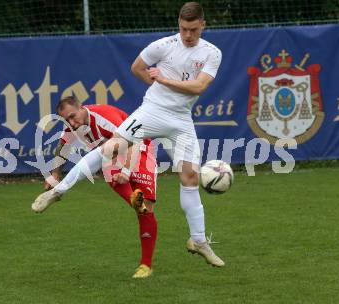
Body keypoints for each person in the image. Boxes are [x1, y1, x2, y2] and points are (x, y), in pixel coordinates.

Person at [34, 1, 224, 267]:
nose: (188, 35)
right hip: (152, 111)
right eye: (183, 29)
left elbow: (198, 87)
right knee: (112, 146)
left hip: (181, 120)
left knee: (190, 177)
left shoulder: (212, 53)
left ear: (203, 24)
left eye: (193, 29)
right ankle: (59, 191)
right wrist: (156, 87)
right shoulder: (164, 46)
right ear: (178, 25)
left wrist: (163, 80)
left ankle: (198, 240)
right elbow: (136, 67)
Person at [32, 96, 158, 278]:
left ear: (81, 107)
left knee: (147, 210)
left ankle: (146, 264)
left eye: (73, 117)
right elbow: (62, 147)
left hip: (140, 149)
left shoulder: (104, 118)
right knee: (108, 161)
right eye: (66, 120)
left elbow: (134, 142)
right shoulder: (72, 126)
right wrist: (55, 174)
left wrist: (127, 171)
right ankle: (133, 200)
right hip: (112, 156)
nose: (72, 123)